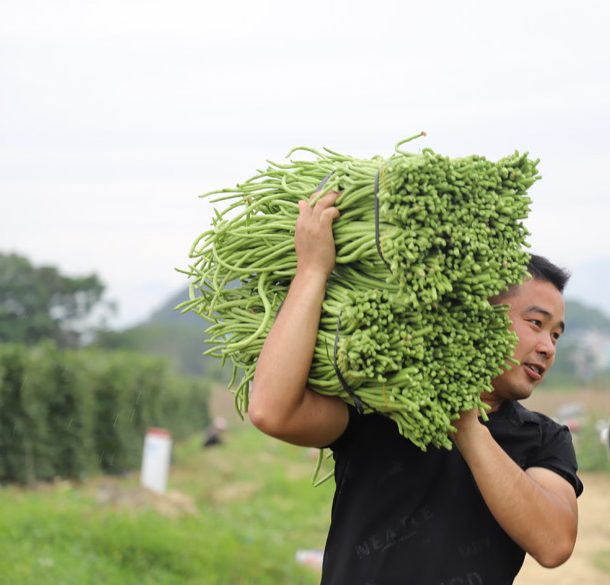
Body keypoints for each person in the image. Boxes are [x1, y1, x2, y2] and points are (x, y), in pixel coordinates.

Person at [248, 190, 583, 584]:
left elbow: (554, 544)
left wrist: (465, 424)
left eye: (557, 335)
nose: (547, 347)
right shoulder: (383, 404)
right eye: (535, 324)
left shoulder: (543, 438)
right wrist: (312, 271)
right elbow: (272, 411)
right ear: (478, 314)